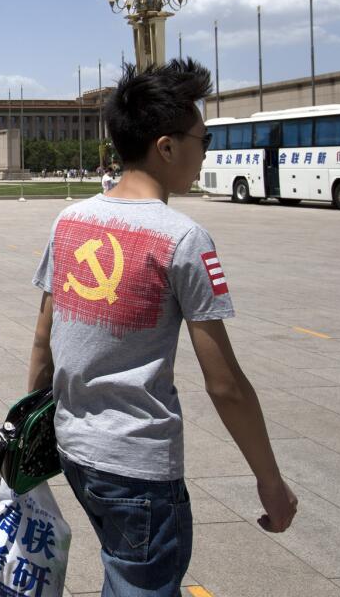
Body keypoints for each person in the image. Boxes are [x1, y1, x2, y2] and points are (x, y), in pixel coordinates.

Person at [25, 59, 296, 597]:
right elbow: (225, 384)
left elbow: (42, 340)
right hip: (138, 465)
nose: (207, 152)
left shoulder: (70, 220)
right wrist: (270, 480)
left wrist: (31, 426)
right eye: (204, 138)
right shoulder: (184, 238)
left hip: (75, 449)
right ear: (167, 147)